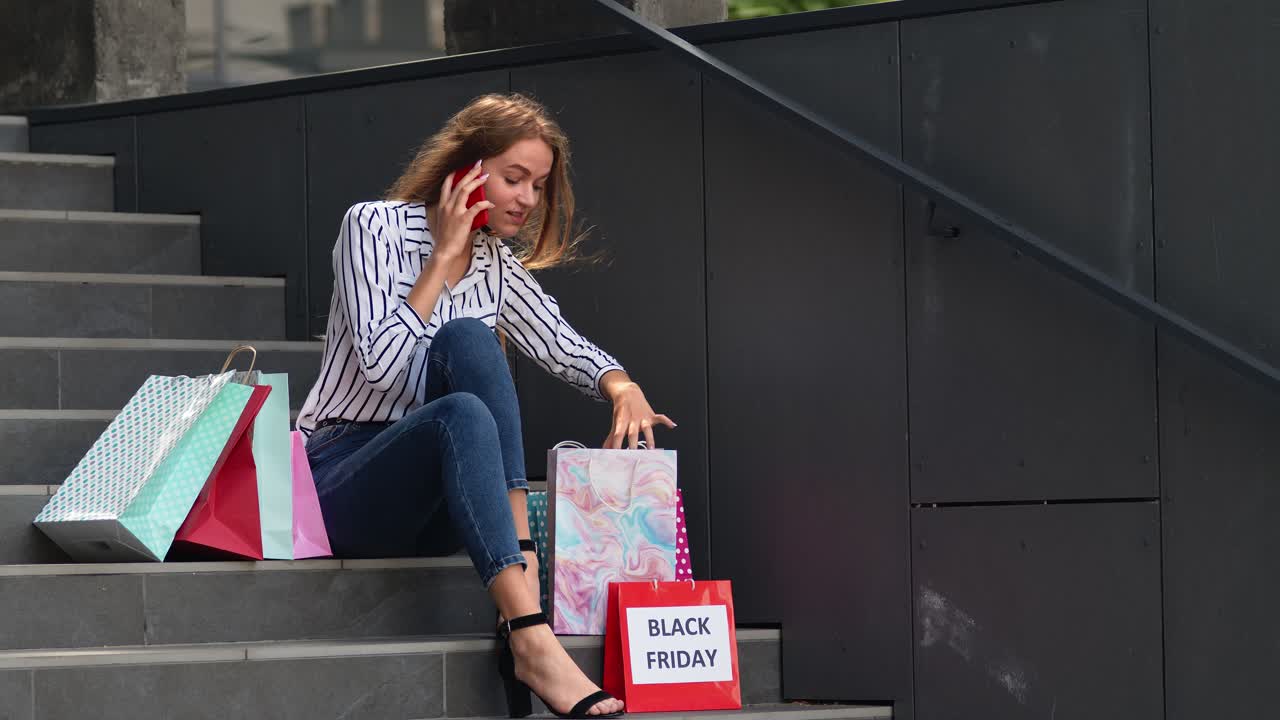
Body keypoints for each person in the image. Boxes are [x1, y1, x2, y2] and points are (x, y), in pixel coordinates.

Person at [295, 93, 675, 719]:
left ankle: (520, 606)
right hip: (341, 474)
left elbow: (562, 343)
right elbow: (384, 368)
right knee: (464, 390)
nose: (527, 200)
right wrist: (443, 258)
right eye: (514, 178)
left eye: (539, 184)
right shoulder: (373, 227)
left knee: (470, 348)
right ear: (466, 170)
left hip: (438, 497)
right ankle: (528, 627)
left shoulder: (498, 263)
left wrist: (621, 385)